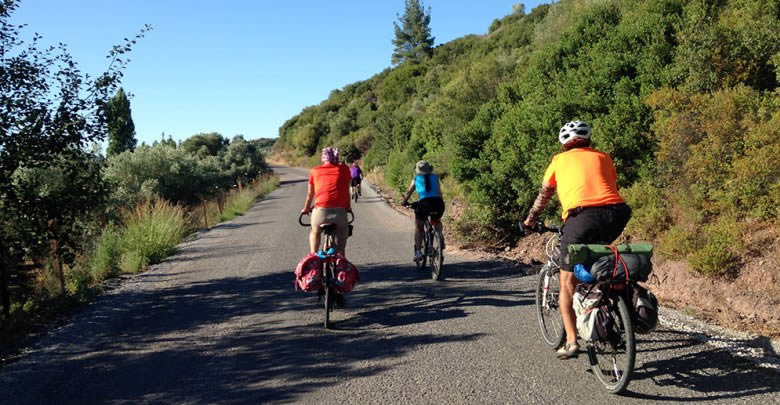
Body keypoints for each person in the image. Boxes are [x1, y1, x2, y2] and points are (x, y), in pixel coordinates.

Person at [522, 120, 631, 359]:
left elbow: (544, 196)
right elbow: (608, 186)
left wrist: (530, 220)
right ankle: (606, 299)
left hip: (582, 217)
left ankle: (572, 342)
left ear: (564, 144)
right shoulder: (603, 156)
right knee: (595, 251)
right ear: (587, 139)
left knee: (566, 284)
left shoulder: (558, 161)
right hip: (618, 213)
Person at [301, 147, 352, 255]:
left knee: (314, 231)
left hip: (320, 212)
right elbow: (346, 191)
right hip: (339, 213)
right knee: (341, 238)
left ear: (323, 158)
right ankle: (340, 259)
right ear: (337, 157)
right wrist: (347, 207)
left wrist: (306, 208)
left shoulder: (315, 171)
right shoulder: (344, 169)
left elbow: (310, 194)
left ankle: (313, 255)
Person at [402, 160, 446, 261]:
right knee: (437, 221)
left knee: (419, 227)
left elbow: (408, 193)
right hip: (438, 203)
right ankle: (439, 235)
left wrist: (404, 202)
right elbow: (439, 193)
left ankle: (418, 253)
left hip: (424, 204)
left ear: (418, 170)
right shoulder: (435, 178)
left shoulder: (416, 179)